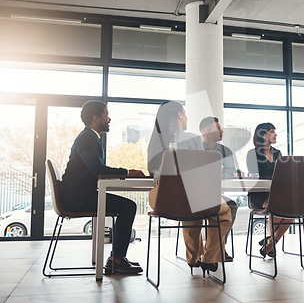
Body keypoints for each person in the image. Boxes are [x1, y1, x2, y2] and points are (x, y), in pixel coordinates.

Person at [60, 100, 145, 274]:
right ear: (95, 117)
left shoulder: (89, 137)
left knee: (127, 206)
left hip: (79, 195)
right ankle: (117, 259)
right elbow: (97, 169)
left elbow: (94, 169)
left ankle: (117, 258)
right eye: (106, 114)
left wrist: (124, 173)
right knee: (128, 206)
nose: (109, 118)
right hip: (78, 199)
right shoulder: (88, 138)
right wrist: (127, 172)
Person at [147, 101, 232, 273]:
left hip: (160, 198)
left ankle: (193, 258)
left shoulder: (154, 141)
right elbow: (201, 174)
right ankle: (209, 258)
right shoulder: (192, 139)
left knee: (190, 210)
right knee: (223, 213)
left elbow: (153, 172)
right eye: (185, 113)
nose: (186, 117)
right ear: (179, 115)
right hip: (191, 194)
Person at [246, 122, 294, 258]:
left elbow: (282, 175)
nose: (275, 134)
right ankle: (270, 245)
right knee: (277, 207)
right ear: (262, 134)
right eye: (272, 131)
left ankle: (270, 243)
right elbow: (255, 178)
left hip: (276, 195)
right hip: (258, 197)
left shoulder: (278, 153)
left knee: (292, 209)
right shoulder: (252, 154)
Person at [199, 116, 238, 262]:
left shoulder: (225, 151)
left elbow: (230, 173)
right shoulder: (195, 149)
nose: (221, 131)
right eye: (218, 127)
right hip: (196, 197)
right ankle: (205, 250)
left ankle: (219, 247)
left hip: (217, 196)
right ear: (207, 130)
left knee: (232, 206)